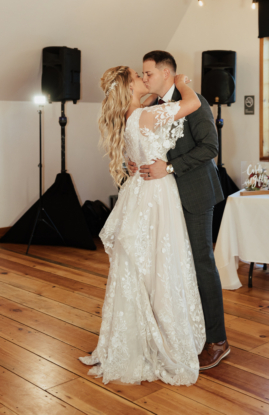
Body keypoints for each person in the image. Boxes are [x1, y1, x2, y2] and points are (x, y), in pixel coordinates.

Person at [79, 65, 206, 386]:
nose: (143, 79)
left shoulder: (132, 116)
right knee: (160, 264)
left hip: (140, 191)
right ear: (129, 87)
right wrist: (182, 83)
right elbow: (191, 105)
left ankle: (137, 336)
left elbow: (135, 153)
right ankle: (159, 339)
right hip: (157, 193)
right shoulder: (145, 116)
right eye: (138, 77)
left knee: (143, 267)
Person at [128, 51, 229, 370]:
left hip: (195, 195)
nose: (144, 79)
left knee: (201, 263)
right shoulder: (152, 107)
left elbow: (210, 148)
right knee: (172, 267)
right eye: (142, 75)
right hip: (164, 201)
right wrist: (133, 163)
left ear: (167, 73)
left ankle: (218, 341)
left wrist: (169, 168)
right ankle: (186, 332)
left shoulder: (194, 101)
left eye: (148, 73)